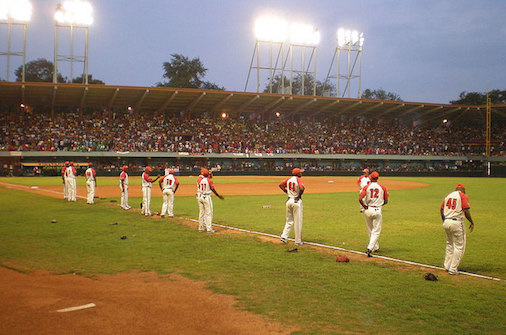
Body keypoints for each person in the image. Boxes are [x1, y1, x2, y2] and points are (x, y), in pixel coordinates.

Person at [440, 183, 475, 275]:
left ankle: (447, 266)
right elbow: (466, 210)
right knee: (459, 246)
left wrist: (444, 220)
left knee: (449, 244)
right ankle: (453, 269)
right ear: (463, 190)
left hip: (446, 221)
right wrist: (471, 222)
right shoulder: (462, 196)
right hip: (456, 222)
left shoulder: (448, 195)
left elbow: (441, 209)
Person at [359, 171, 389, 257]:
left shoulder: (366, 187)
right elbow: (386, 201)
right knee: (376, 231)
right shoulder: (382, 187)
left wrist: (363, 206)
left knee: (370, 229)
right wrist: (380, 204)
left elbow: (360, 198)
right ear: (378, 178)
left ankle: (375, 247)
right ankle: (370, 248)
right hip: (377, 209)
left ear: (370, 178)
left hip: (368, 209)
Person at [279, 168, 305, 246]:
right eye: (300, 172)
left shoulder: (289, 179)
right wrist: (298, 196)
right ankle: (298, 241)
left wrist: (286, 192)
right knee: (298, 222)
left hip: (289, 200)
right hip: (296, 202)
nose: (301, 174)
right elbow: (302, 188)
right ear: (297, 174)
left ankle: (284, 236)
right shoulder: (298, 180)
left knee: (289, 220)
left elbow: (280, 185)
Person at [196, 168, 224, 232]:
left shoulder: (201, 180)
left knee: (201, 213)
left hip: (200, 196)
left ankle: (200, 228)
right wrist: (218, 196)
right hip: (206, 197)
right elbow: (213, 189)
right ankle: (209, 229)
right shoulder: (209, 181)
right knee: (208, 213)